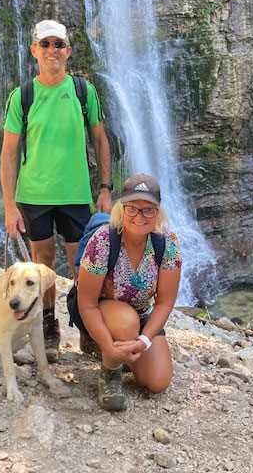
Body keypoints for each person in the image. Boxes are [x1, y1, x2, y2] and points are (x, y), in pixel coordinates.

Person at [0, 19, 112, 363]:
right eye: (45, 44)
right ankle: (49, 325)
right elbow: (8, 152)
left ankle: (85, 328)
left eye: (58, 45)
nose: (52, 51)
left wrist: (106, 188)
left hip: (76, 195)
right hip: (34, 197)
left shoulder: (82, 91)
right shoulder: (23, 96)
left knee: (82, 265)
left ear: (68, 51)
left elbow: (101, 139)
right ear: (34, 50)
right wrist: (9, 206)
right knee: (42, 265)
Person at [75, 173, 181, 411]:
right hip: (102, 309)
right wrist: (109, 345)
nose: (139, 216)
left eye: (148, 210)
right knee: (125, 321)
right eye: (132, 208)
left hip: (143, 313)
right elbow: (87, 303)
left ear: (158, 212)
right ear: (121, 209)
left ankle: (127, 349)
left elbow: (164, 302)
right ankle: (110, 371)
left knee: (157, 382)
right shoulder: (103, 240)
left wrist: (144, 341)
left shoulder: (167, 243)